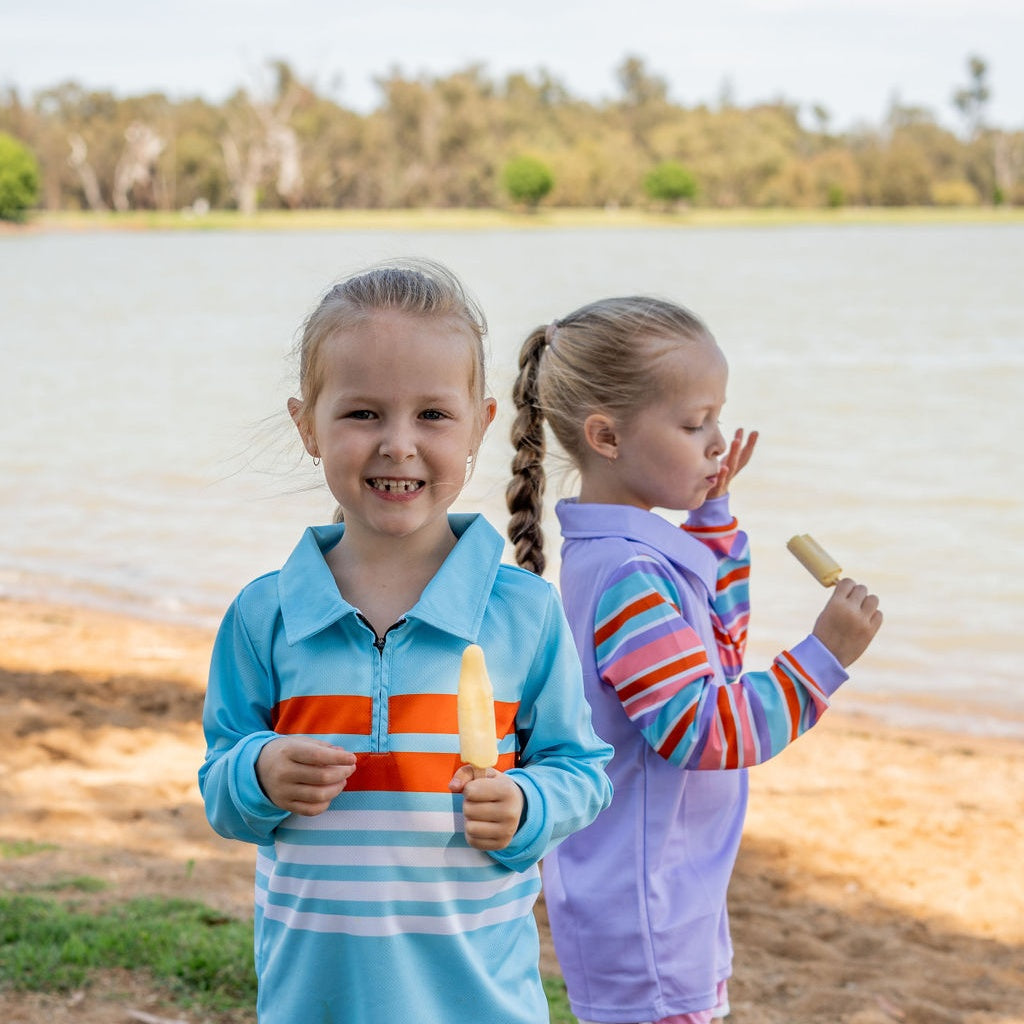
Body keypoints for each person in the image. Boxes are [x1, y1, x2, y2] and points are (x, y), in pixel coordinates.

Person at [199, 259, 613, 1024]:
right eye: (362, 414)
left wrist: (525, 805)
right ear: (307, 426)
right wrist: (259, 770)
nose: (398, 444)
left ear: (482, 425)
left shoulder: (524, 613)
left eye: (432, 414)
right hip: (312, 1004)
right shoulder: (266, 616)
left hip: (479, 1004)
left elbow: (583, 772)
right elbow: (221, 789)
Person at [506, 296, 883, 1024]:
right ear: (606, 436)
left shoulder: (631, 556)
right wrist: (822, 659)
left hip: (669, 889)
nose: (716, 441)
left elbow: (720, 646)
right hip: (644, 905)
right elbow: (705, 728)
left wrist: (713, 514)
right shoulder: (627, 577)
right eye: (692, 423)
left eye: (717, 416)